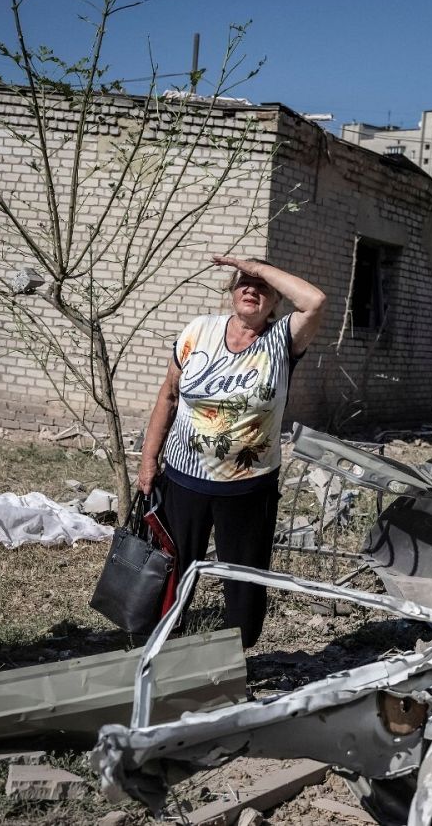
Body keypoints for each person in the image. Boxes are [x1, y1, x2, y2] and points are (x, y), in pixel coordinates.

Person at [138, 255, 325, 649]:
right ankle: (156, 650)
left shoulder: (283, 340)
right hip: (183, 481)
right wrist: (148, 460)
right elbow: (168, 396)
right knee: (169, 572)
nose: (252, 290)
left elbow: (314, 301)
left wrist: (252, 265)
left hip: (247, 490)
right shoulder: (198, 330)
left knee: (244, 585)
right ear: (230, 291)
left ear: (275, 300)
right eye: (244, 282)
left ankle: (234, 660)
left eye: (262, 287)